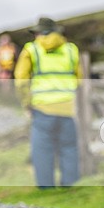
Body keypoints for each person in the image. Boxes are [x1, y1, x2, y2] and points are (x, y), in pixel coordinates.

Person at [14, 17, 82, 188]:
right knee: (69, 149)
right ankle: (70, 187)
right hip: (67, 107)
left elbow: (21, 80)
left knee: (43, 151)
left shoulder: (31, 49)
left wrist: (26, 103)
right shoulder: (71, 49)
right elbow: (80, 78)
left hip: (42, 109)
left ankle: (46, 189)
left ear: (39, 32)